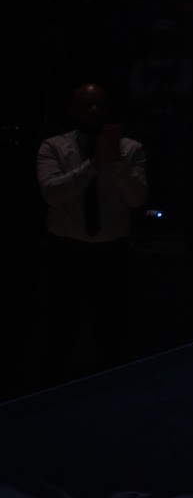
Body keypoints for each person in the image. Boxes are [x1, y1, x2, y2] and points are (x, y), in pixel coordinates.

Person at [34, 82, 149, 379]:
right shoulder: (54, 147)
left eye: (99, 105)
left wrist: (116, 163)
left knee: (112, 332)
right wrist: (95, 164)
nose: (94, 110)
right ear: (74, 110)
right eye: (87, 105)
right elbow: (51, 193)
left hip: (112, 254)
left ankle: (111, 391)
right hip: (66, 253)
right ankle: (53, 391)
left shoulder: (130, 149)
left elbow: (137, 199)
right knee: (59, 331)